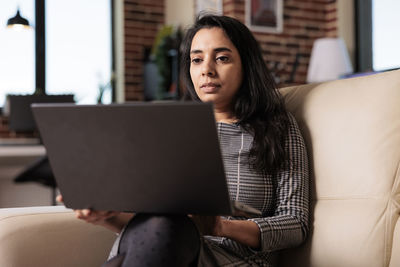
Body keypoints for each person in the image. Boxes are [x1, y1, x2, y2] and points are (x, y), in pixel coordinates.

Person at [57, 14, 309, 267]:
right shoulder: (168, 129)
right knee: (164, 223)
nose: (206, 70)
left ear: (247, 65)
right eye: (197, 59)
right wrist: (103, 215)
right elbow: (145, 226)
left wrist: (220, 226)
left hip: (231, 260)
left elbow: (295, 223)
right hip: (159, 250)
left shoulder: (278, 128)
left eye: (221, 58)